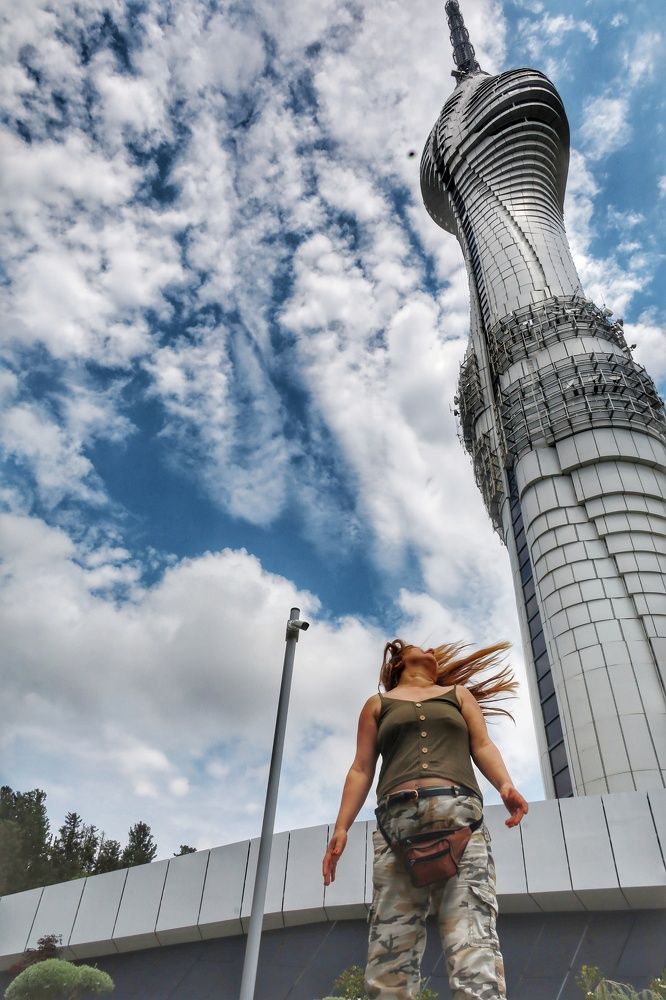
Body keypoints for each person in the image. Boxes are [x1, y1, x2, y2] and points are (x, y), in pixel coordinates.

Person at [322, 638, 529, 1000]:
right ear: (399, 661)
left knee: (472, 942)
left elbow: (482, 745)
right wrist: (341, 827)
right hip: (395, 829)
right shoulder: (377, 704)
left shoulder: (458, 695)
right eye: (421, 647)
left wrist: (505, 785)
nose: (432, 650)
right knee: (390, 951)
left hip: (461, 821)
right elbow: (361, 768)